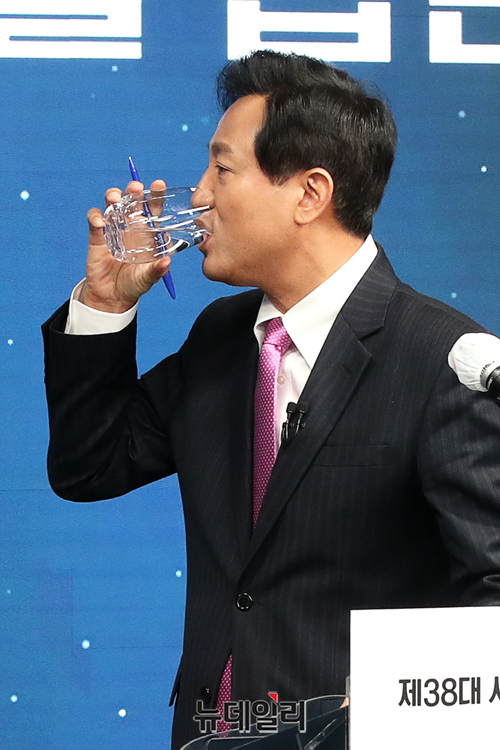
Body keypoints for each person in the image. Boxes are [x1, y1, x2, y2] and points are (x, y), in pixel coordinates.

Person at [42, 51, 500, 750]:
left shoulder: (445, 361)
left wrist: (384, 711)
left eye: (221, 170)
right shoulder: (221, 338)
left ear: (310, 194)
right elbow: (88, 466)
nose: (198, 196)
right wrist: (105, 304)